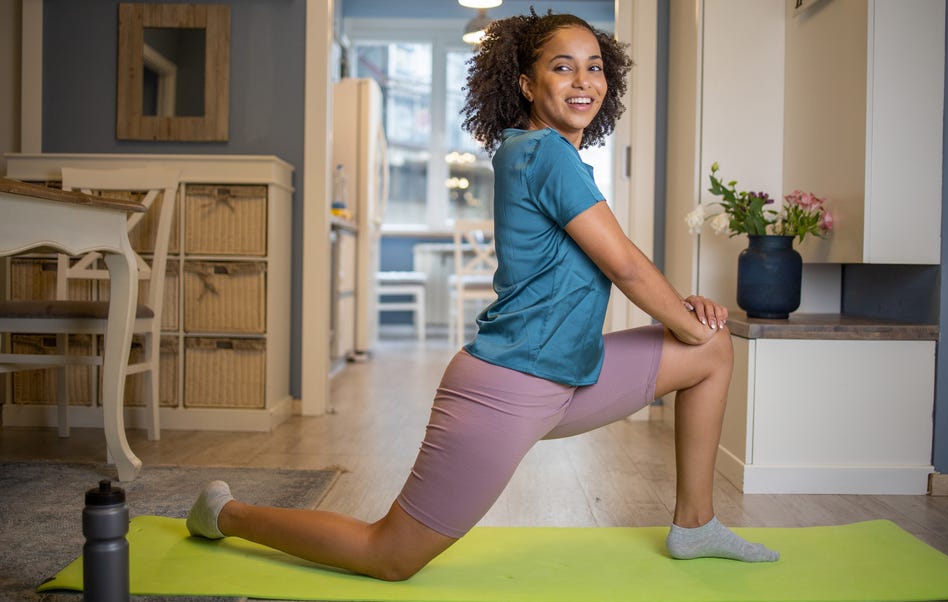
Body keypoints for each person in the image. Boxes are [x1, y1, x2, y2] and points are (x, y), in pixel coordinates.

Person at [186, 9, 779, 581]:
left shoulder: (550, 154)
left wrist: (691, 319)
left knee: (711, 352)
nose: (583, 81)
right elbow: (622, 262)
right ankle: (226, 514)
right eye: (562, 66)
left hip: (573, 377)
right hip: (507, 388)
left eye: (595, 66)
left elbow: (619, 259)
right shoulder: (544, 151)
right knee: (389, 555)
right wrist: (687, 319)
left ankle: (696, 524)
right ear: (526, 83)